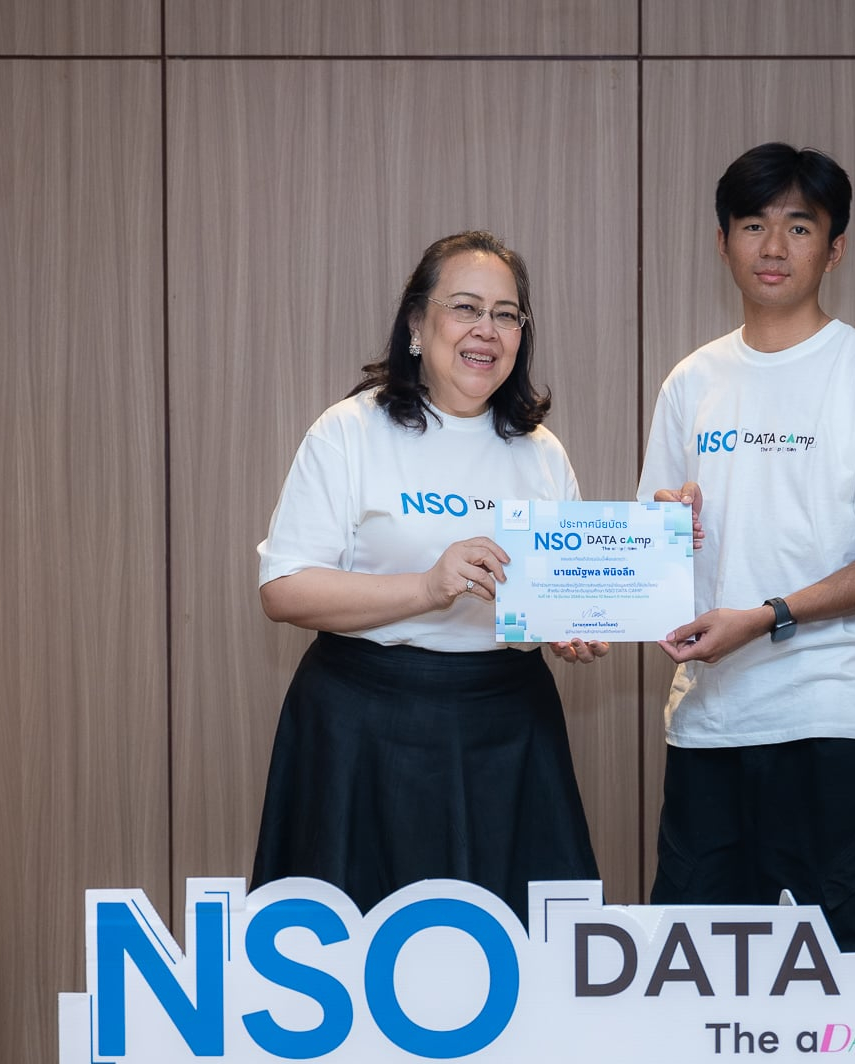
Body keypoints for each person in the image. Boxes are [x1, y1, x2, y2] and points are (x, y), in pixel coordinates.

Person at [637, 143, 855, 951]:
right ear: (723, 242)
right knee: (697, 977)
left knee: (851, 976)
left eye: (799, 226)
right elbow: (652, 556)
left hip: (836, 723)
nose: (773, 246)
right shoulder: (691, 381)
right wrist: (669, 528)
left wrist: (768, 615)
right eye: (753, 225)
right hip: (710, 723)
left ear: (835, 248)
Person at [252, 231, 604, 923]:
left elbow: (559, 594)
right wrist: (426, 586)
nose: (486, 330)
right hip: (364, 722)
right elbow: (283, 589)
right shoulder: (349, 431)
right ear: (417, 323)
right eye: (465, 307)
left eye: (506, 314)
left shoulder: (541, 452)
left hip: (508, 726)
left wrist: (574, 626)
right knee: (355, 947)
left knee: (517, 951)